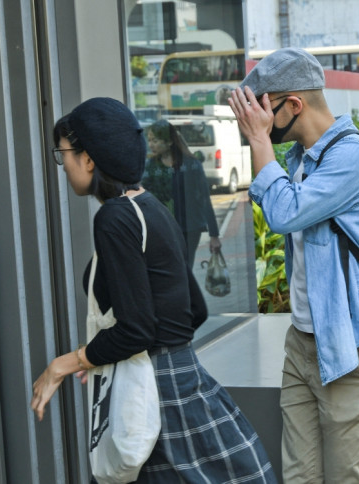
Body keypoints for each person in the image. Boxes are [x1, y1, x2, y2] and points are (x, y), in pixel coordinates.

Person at [30, 97, 276, 483]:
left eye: (64, 155)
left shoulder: (113, 218)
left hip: (152, 391)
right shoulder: (151, 208)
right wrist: (103, 355)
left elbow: (136, 329)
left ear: (89, 159)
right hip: (185, 382)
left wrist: (67, 363)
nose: (63, 167)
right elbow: (193, 309)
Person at [228, 48, 359, 483]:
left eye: (262, 112)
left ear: (293, 105)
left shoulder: (352, 156)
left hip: (353, 353)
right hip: (303, 346)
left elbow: (284, 213)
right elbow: (279, 214)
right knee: (298, 478)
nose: (256, 124)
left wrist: (259, 141)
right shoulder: (301, 159)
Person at [143, 119, 221, 268]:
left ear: (170, 142)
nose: (151, 145)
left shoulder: (191, 164)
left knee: (185, 268)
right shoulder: (151, 166)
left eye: (155, 140)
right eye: (150, 140)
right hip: (162, 228)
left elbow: (204, 198)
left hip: (190, 228)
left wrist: (214, 235)